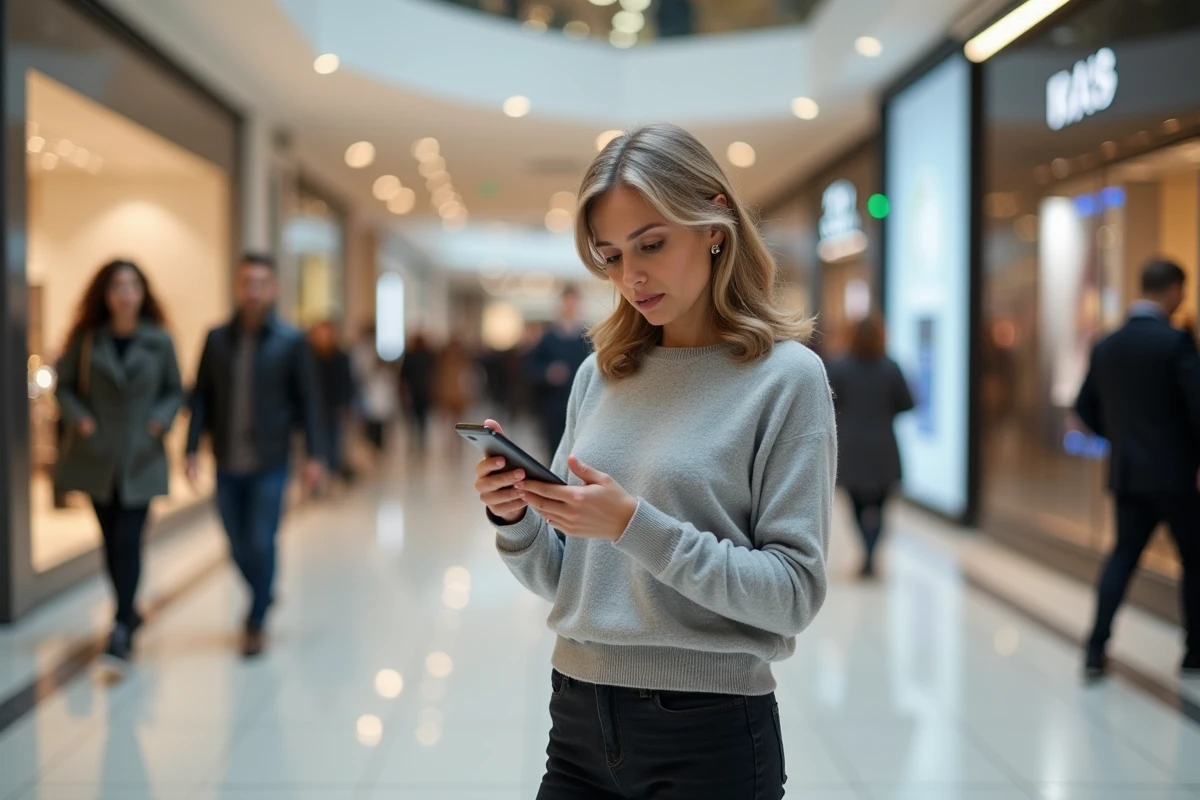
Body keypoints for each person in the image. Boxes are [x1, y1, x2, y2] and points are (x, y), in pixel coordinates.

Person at [472, 123, 834, 799]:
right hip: (578, 717)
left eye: (652, 244)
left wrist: (633, 525)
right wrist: (516, 518)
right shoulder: (601, 374)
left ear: (715, 225)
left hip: (708, 732)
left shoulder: (786, 379)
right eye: (610, 256)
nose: (630, 277)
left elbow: (792, 595)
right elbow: (567, 579)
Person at [186, 253, 327, 658]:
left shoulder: (290, 341)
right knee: (236, 544)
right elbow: (201, 397)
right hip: (227, 459)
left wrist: (315, 455)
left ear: (274, 289)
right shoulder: (216, 339)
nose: (253, 290)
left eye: (261, 283)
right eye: (247, 282)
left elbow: (308, 401)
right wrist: (191, 447)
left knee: (262, 540)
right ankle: (264, 591)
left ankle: (256, 619)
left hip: (271, 460)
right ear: (237, 286)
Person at [1075, 258, 1200, 680]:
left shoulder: (1107, 344)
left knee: (1123, 557)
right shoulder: (1175, 342)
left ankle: (1095, 648)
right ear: (1172, 290)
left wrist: (1119, 438)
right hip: (1176, 475)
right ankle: (1194, 652)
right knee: (1194, 560)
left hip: (1128, 473)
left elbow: (1083, 406)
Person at [54, 260, 183, 669]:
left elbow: (174, 390)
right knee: (111, 541)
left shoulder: (158, 340)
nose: (125, 294)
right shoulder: (88, 339)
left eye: (133, 286)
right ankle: (128, 610)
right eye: (117, 286)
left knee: (129, 538)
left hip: (141, 455)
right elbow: (64, 386)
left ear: (143, 293)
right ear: (105, 294)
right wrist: (81, 420)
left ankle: (121, 624)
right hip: (98, 455)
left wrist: (158, 422)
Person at [826, 316, 914, 579]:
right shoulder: (891, 368)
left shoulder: (839, 368)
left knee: (856, 503)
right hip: (883, 446)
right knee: (881, 504)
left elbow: (827, 404)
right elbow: (908, 403)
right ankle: (871, 553)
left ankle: (867, 552)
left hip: (851, 447)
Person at [526, 287, 591, 458]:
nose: (569, 307)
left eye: (572, 303)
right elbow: (531, 368)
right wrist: (548, 373)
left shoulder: (587, 337)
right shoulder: (548, 338)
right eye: (566, 303)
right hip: (553, 405)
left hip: (580, 405)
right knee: (553, 452)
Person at [309, 321, 356, 482]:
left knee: (333, 443)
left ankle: (332, 475)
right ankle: (318, 478)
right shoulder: (309, 357)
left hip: (334, 407)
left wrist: (346, 404)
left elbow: (347, 382)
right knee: (316, 444)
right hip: (315, 408)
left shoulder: (340, 357)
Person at [351, 326, 400, 455]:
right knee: (371, 425)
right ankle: (372, 448)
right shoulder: (363, 351)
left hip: (375, 397)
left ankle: (376, 448)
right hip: (368, 395)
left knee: (377, 425)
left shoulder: (370, 352)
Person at [399, 332, 437, 453]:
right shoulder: (428, 357)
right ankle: (421, 444)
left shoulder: (411, 356)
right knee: (422, 420)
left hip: (414, 392)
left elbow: (403, 376)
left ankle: (414, 444)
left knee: (413, 420)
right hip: (423, 392)